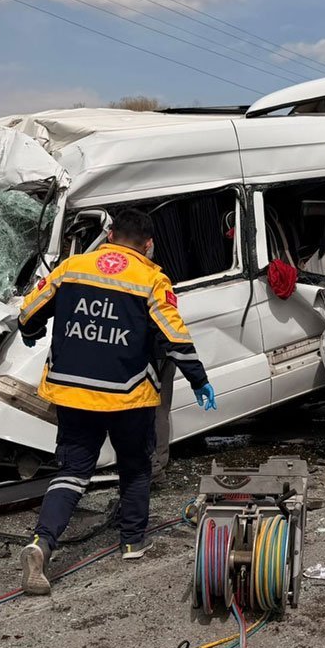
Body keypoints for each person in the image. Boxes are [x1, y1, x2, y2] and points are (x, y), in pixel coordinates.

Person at [15, 208, 216, 595]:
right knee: (135, 467)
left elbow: (28, 311)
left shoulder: (72, 267)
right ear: (149, 245)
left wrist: (31, 329)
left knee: (72, 472)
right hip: (128, 394)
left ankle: (42, 543)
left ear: (110, 236)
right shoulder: (151, 280)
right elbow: (174, 336)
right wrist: (199, 379)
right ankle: (132, 542)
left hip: (72, 390)